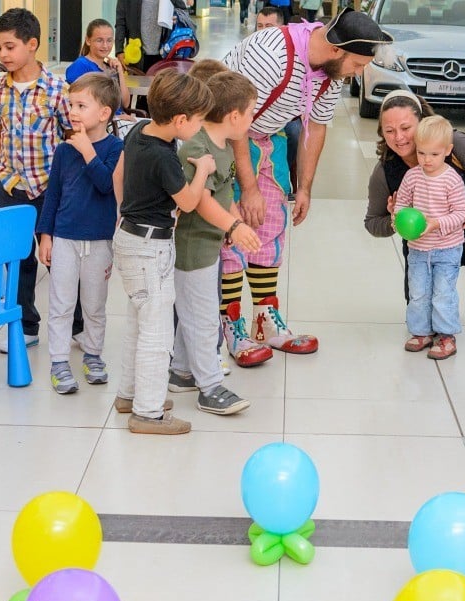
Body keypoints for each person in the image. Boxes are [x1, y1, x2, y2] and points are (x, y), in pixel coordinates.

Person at [220, 8, 392, 365]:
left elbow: (317, 125)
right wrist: (247, 186)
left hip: (267, 139)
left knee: (269, 228)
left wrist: (305, 188)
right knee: (232, 231)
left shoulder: (330, 74)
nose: (358, 74)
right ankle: (229, 323)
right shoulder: (272, 55)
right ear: (335, 50)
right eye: (357, 65)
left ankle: (265, 321)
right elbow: (232, 115)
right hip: (224, 137)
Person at [365, 90, 465, 354]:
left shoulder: (453, 144)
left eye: (406, 127)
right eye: (390, 130)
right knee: (419, 308)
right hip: (424, 247)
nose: (400, 137)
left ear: (422, 122)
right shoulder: (385, 171)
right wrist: (395, 221)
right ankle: (431, 331)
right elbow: (372, 223)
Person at [111, 70, 216, 435]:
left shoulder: (139, 130)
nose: (201, 127)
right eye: (199, 120)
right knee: (156, 334)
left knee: (137, 324)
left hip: (127, 237)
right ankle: (148, 412)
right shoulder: (164, 157)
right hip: (150, 249)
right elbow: (187, 202)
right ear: (181, 120)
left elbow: (118, 176)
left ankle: (130, 395)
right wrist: (202, 168)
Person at [168, 70, 262, 416]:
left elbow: (223, 192)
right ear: (234, 116)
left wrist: (232, 221)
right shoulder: (198, 147)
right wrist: (233, 225)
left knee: (193, 311)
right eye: (251, 111)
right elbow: (200, 201)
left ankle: (181, 371)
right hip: (192, 248)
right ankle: (209, 387)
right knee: (203, 317)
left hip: (208, 245)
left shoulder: (220, 145)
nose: (253, 118)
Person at [0, 8, 72, 353]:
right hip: (10, 186)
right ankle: (26, 326)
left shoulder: (57, 89)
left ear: (32, 44)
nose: (3, 54)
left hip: (50, 187)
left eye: (10, 46)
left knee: (61, 260)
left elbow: (71, 136)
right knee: (19, 260)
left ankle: (76, 326)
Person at [37, 74, 124, 395]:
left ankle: (93, 354)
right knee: (60, 302)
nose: (72, 111)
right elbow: (53, 195)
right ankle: (59, 361)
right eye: (71, 104)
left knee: (94, 304)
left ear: (104, 113)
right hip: (64, 238)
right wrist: (45, 235)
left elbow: (105, 185)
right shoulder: (63, 151)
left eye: (81, 105)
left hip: (100, 240)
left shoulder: (116, 148)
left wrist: (88, 150)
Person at [394, 115, 465, 360]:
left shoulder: (452, 180)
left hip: (447, 248)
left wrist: (436, 223)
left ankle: (446, 335)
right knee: (418, 292)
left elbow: (460, 214)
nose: (427, 160)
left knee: (443, 293)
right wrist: (399, 219)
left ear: (447, 151)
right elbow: (401, 204)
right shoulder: (413, 176)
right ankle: (421, 332)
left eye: (434, 154)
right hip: (418, 248)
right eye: (422, 153)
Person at [254, 6, 302, 200]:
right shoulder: (251, 49)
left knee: (295, 132)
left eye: (269, 26)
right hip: (254, 111)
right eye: (259, 26)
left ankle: (279, 177)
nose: (263, 30)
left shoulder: (295, 52)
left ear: (282, 28)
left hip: (285, 113)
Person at [65, 19, 133, 118]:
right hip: (101, 125)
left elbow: (125, 103)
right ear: (88, 40)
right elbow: (79, 104)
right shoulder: (80, 65)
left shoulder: (110, 67)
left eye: (109, 40)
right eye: (99, 40)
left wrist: (120, 72)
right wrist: (116, 117)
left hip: (117, 121)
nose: (105, 45)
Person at [115, 0, 193, 74]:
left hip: (165, 53)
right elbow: (120, 23)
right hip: (136, 55)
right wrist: (119, 50)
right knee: (138, 85)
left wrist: (178, 18)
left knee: (162, 86)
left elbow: (184, 13)